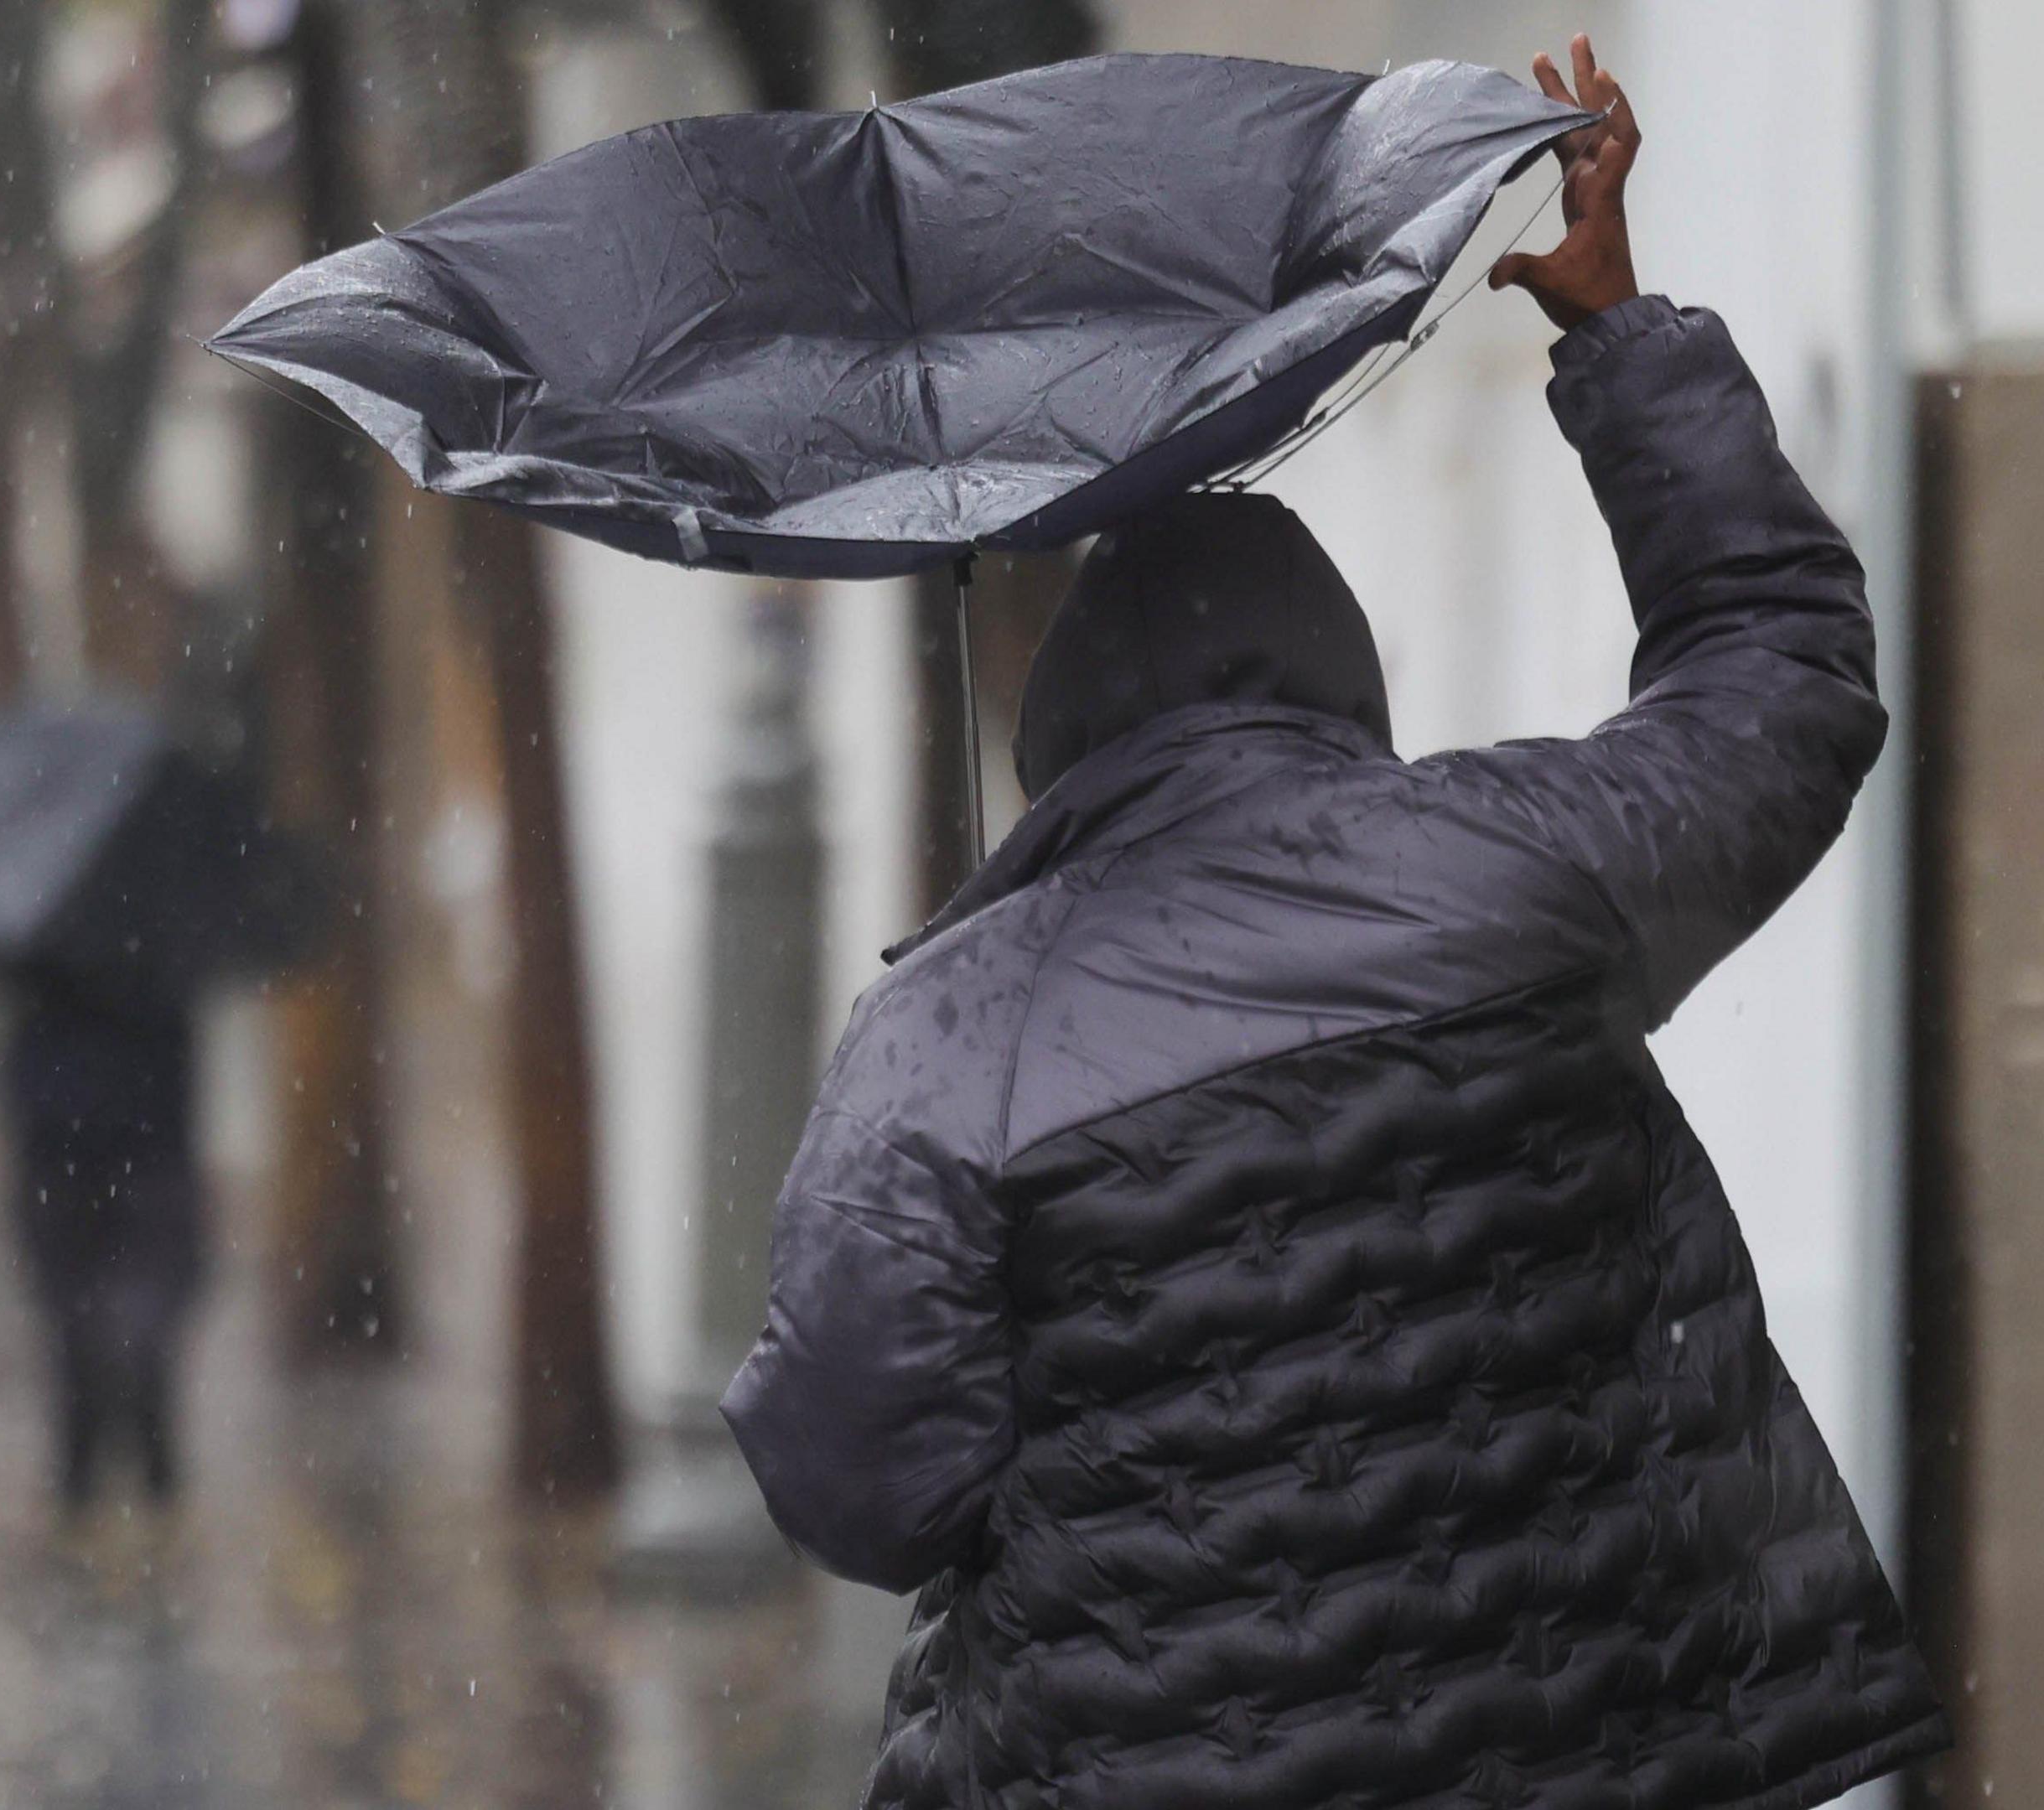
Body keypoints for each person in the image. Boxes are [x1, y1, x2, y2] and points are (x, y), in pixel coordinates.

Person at [722, 39, 1947, 1810]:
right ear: (1337, 671)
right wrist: (1611, 324)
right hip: (1595, 1733)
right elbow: (1784, 673)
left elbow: (858, 1479)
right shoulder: (1525, 867)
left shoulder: (948, 1037)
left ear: (1067, 727)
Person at [0, 962, 205, 1516]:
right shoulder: (172, 903)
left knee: (84, 1307)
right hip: (137, 1120)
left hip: (76, 1119)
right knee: (126, 1307)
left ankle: (91, 1470)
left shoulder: (33, 904)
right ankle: (140, 1467)